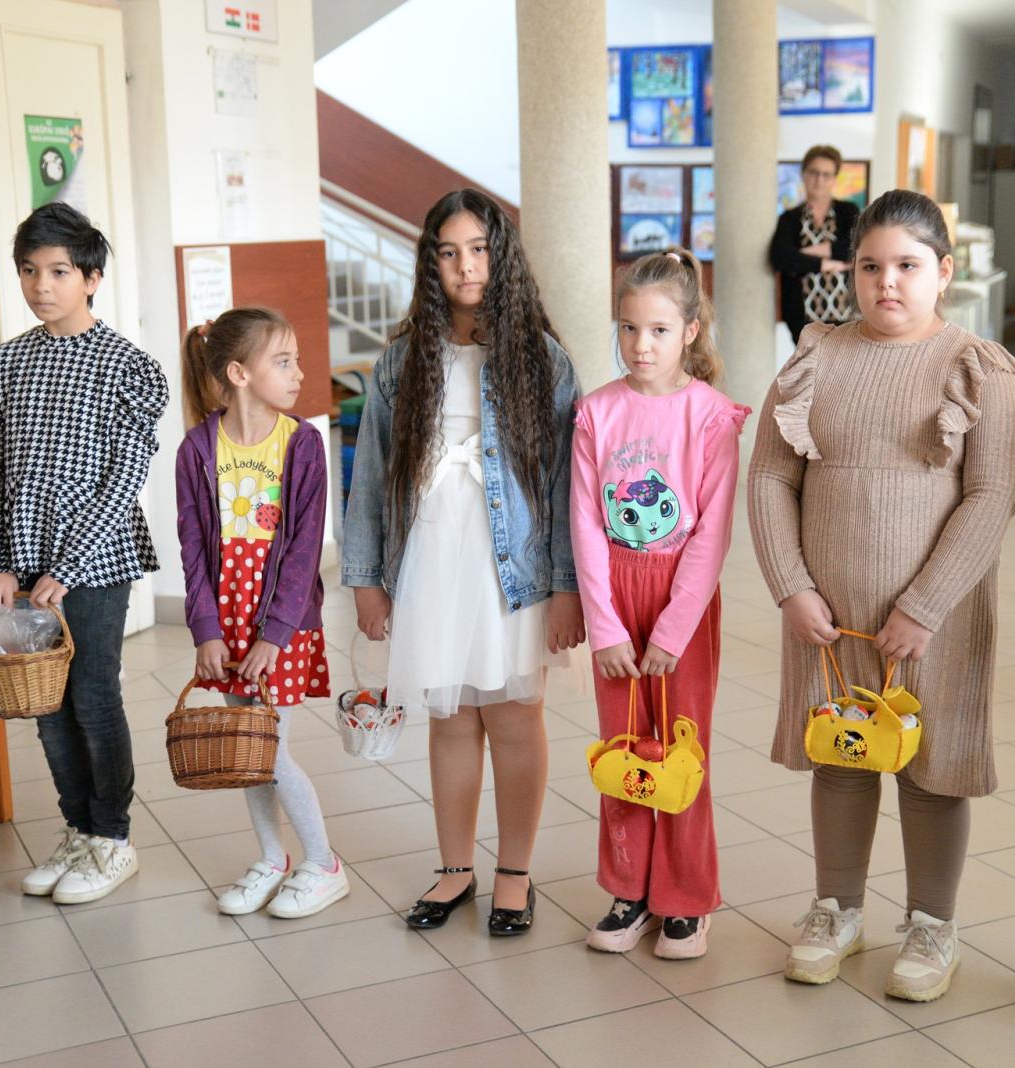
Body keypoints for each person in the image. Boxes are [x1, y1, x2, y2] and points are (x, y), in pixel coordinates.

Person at [748, 190, 1015, 997]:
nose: (887, 283)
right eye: (870, 266)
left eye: (907, 265)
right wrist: (790, 587)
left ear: (944, 271)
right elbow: (769, 477)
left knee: (930, 767)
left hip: (935, 620)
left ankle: (932, 925)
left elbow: (995, 495)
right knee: (840, 756)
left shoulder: (979, 369)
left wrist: (925, 605)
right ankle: (836, 909)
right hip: (827, 618)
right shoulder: (814, 358)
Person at [342, 188, 586, 937]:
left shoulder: (541, 360)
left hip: (510, 568)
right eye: (448, 253)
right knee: (449, 719)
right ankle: (455, 868)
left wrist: (567, 587)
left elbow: (565, 483)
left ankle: (514, 872)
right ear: (430, 264)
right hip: (430, 562)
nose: (465, 266)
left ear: (501, 257)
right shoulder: (401, 361)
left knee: (513, 718)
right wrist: (366, 579)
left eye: (478, 250)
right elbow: (372, 474)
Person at [0, 202, 169, 904]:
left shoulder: (127, 367)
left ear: (91, 278)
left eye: (57, 271)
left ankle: (113, 839)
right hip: (25, 558)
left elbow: (124, 480)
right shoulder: (2, 365)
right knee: (46, 703)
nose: (40, 285)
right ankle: (78, 829)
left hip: (97, 560)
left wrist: (69, 566)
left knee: (92, 694)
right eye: (29, 270)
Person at [570, 248, 749, 960]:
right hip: (616, 598)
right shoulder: (596, 413)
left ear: (691, 332)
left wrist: (674, 629)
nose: (640, 345)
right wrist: (604, 625)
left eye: (659, 330)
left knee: (681, 747)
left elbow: (712, 532)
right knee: (623, 747)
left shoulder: (710, 417)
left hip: (683, 605)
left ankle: (686, 897)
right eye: (628, 328)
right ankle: (629, 889)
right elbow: (585, 525)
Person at [175, 307, 347, 919]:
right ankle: (273, 858)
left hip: (282, 626)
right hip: (225, 626)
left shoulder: (302, 444)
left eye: (296, 360)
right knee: (248, 751)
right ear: (239, 373)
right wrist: (205, 629)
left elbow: (304, 548)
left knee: (268, 749)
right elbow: (192, 548)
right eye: (283, 361)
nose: (299, 373)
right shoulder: (197, 449)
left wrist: (274, 635)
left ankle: (323, 863)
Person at [769, 144, 861, 345]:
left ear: (834, 179)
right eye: (814, 172)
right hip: (803, 320)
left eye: (827, 174)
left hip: (848, 315)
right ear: (803, 174)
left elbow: (856, 247)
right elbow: (781, 258)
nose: (820, 180)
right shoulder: (789, 219)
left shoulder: (848, 212)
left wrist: (806, 253)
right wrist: (828, 264)